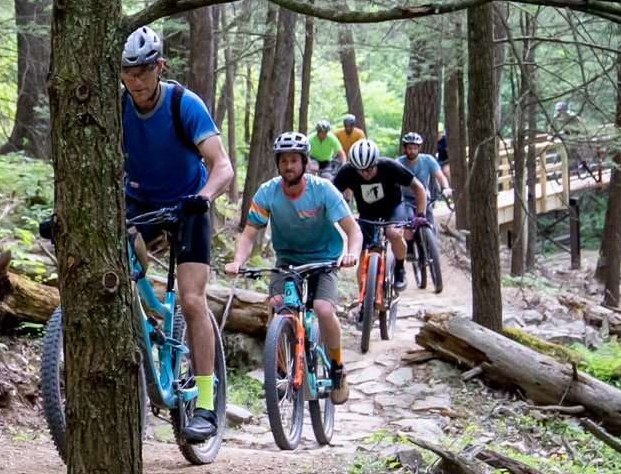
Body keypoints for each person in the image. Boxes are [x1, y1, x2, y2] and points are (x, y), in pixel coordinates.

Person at [116, 25, 237, 440]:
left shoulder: (183, 104)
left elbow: (223, 167)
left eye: (145, 70)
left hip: (188, 203)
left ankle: (205, 404)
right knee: (116, 261)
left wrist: (202, 197)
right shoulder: (117, 106)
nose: (137, 81)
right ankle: (146, 318)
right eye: (129, 72)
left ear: (159, 67)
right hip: (139, 202)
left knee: (190, 299)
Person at [225, 132, 360, 403]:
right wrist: (238, 261)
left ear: (305, 162)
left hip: (324, 259)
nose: (289, 166)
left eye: (294, 160)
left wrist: (351, 255)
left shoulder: (322, 190)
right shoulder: (267, 192)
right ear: (277, 163)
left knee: (322, 309)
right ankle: (282, 364)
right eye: (283, 160)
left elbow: (353, 230)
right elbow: (250, 233)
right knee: (277, 303)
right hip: (287, 260)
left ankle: (337, 368)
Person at [333, 139, 428, 290]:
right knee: (362, 252)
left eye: (368, 169)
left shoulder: (390, 166)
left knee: (394, 233)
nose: (364, 174)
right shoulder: (347, 172)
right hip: (367, 213)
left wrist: (420, 215)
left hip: (393, 208)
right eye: (360, 170)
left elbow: (419, 188)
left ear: (376, 164)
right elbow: (331, 196)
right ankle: (363, 298)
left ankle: (400, 269)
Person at [397, 132, 448, 215]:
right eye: (409, 148)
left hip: (425, 199)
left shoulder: (428, 160)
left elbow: (441, 177)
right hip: (406, 200)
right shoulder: (399, 162)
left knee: (428, 226)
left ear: (419, 148)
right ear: (405, 148)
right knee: (409, 222)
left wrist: (446, 188)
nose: (412, 151)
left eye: (415, 148)